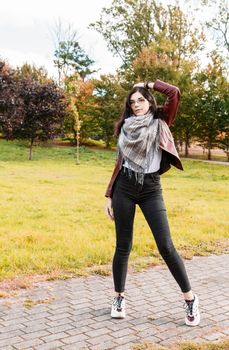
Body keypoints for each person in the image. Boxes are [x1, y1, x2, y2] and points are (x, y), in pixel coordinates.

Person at [104, 79, 200, 327]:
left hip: (150, 188)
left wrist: (148, 83)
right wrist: (108, 195)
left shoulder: (161, 121)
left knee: (166, 246)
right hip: (124, 187)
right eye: (132, 101)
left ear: (149, 102)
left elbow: (174, 92)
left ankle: (189, 299)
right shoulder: (125, 127)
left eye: (141, 100)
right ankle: (118, 298)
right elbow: (119, 163)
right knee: (123, 246)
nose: (136, 105)